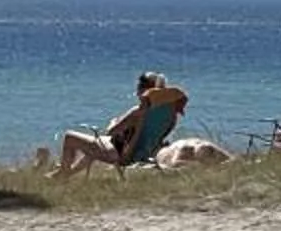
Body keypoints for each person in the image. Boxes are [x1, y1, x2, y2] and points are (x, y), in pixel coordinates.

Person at [51, 71, 187, 178]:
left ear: (143, 90)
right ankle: (67, 174)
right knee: (94, 145)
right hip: (143, 154)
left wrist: (114, 122)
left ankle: (63, 172)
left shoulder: (138, 111)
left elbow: (111, 131)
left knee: (70, 137)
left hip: (121, 155)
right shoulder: (171, 115)